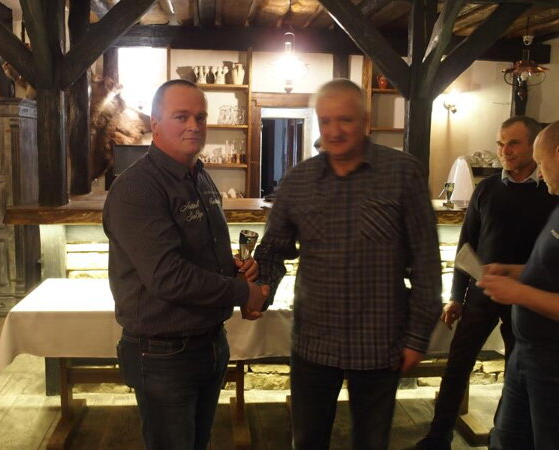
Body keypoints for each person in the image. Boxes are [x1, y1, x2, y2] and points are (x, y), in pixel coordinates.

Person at [254, 79, 442, 450]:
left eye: (345, 120)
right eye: (326, 121)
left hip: (379, 342)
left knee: (371, 443)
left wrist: (417, 337)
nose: (334, 131)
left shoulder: (402, 172)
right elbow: (273, 250)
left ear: (365, 121)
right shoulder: (298, 180)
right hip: (313, 343)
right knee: (308, 442)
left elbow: (426, 262)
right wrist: (258, 291)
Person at [103, 79, 268, 450]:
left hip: (207, 343)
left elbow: (198, 254)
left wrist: (234, 269)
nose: (194, 125)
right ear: (155, 122)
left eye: (200, 117)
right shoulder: (137, 188)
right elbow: (168, 277)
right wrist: (243, 292)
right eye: (181, 116)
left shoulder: (199, 176)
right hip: (163, 353)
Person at [416, 116, 558, 450]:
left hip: (528, 306)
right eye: (500, 144)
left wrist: (519, 288)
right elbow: (467, 244)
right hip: (484, 292)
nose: (505, 151)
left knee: (515, 373)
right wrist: (456, 295)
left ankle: (503, 431)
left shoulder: (551, 192)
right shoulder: (487, 189)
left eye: (514, 143)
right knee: (457, 366)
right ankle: (438, 437)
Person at [478, 120, 559, 450]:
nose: (540, 173)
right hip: (527, 356)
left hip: (552, 364)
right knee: (506, 440)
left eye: (541, 162)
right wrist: (515, 271)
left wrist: (519, 292)